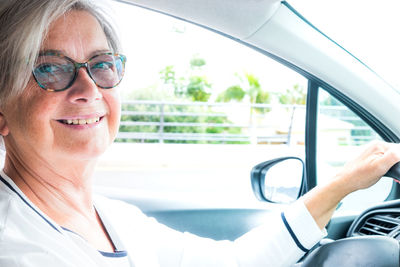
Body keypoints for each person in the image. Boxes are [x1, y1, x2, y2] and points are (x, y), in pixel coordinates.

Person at [0, 0, 399, 266]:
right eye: (50, 68)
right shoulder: (16, 247)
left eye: (102, 64)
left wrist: (343, 183)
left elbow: (234, 263)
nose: (88, 90)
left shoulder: (111, 216)